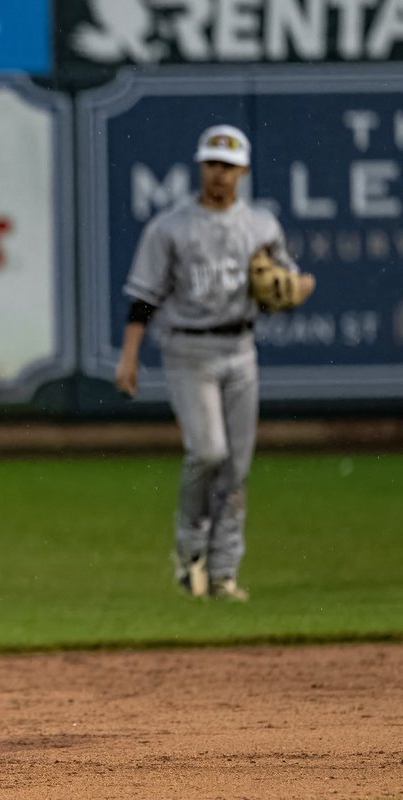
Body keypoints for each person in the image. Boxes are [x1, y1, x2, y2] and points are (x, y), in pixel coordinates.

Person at [114, 124, 313, 602]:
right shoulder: (170, 226)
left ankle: (223, 573)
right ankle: (189, 554)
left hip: (240, 350)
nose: (218, 173)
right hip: (188, 350)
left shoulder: (262, 225)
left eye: (227, 165)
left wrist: (293, 289)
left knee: (236, 467)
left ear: (242, 170)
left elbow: (282, 286)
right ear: (200, 166)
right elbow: (144, 298)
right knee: (208, 453)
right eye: (211, 164)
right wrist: (129, 357)